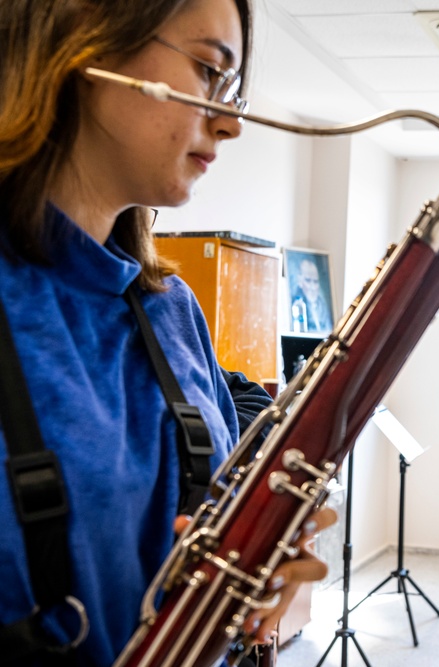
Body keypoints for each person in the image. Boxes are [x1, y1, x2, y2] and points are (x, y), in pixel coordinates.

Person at [0, 0, 334, 664]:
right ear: (81, 43)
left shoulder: (171, 309)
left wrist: (249, 575)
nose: (231, 122)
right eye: (209, 70)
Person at [290, 257, 333, 334]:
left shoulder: (323, 306)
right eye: (308, 280)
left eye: (315, 281)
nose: (312, 287)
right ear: (300, 281)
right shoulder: (294, 303)